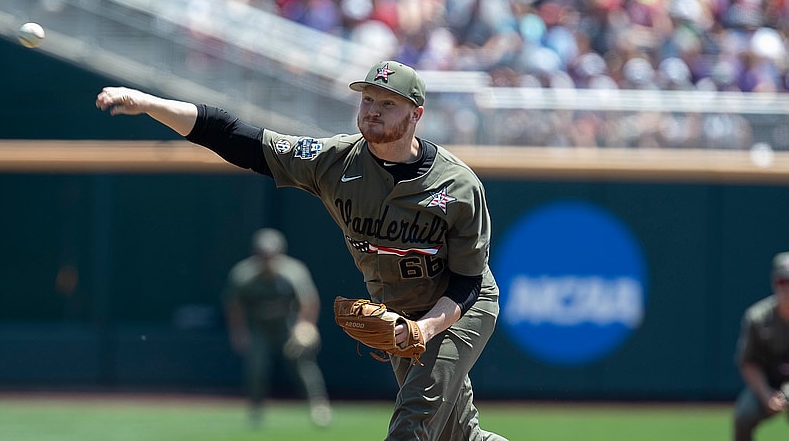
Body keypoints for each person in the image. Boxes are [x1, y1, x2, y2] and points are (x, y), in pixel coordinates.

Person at [96, 60, 508, 440]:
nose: (373, 110)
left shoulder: (457, 185)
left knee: (413, 419)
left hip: (457, 311)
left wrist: (424, 329)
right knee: (460, 436)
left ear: (416, 114)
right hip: (399, 312)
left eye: (388, 103)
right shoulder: (334, 162)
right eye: (367, 99)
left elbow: (468, 281)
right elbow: (235, 136)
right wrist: (149, 103)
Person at [222, 227, 332, 428]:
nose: (267, 261)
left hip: (287, 324)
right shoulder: (243, 275)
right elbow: (234, 306)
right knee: (256, 367)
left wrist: (305, 326)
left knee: (303, 364)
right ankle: (255, 409)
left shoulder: (293, 273)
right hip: (259, 326)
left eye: (271, 255)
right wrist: (239, 332)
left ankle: (319, 406)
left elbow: (309, 301)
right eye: (262, 256)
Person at [734, 251, 789, 441]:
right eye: (782, 281)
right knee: (744, 416)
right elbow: (748, 362)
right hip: (767, 382)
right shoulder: (758, 317)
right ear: (774, 282)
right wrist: (766, 395)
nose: (787, 287)